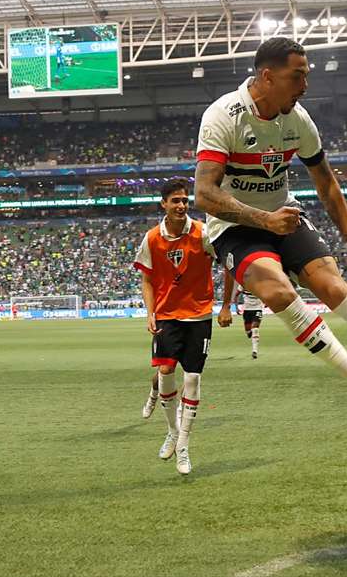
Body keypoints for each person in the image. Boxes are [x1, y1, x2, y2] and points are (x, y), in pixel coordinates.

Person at [193, 37, 347, 413]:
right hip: (235, 226)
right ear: (267, 76)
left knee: (332, 286)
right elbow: (204, 194)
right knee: (278, 294)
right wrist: (264, 220)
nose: (306, 85)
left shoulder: (298, 120)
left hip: (284, 214)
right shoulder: (222, 116)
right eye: (298, 76)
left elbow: (325, 180)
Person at [133, 179, 215, 475]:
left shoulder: (204, 233)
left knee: (192, 379)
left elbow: (226, 262)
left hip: (199, 315)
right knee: (166, 372)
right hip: (167, 315)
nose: (182, 205)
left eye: (184, 200)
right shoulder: (152, 238)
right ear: (164, 204)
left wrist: (229, 305)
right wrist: (150, 312)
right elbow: (146, 279)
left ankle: (183, 446)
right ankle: (172, 430)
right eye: (176, 200)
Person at [219, 270, 266, 359]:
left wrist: (266, 301)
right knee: (249, 332)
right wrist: (236, 307)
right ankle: (250, 334)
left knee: (255, 328)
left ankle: (254, 351)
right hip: (247, 310)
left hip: (257, 309)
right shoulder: (243, 284)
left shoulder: (260, 284)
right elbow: (236, 295)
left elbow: (266, 294)